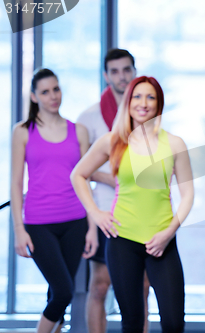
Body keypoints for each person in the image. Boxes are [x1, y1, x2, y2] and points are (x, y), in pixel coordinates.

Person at [71, 76, 193, 333]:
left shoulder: (174, 143)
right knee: (133, 321)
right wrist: (95, 213)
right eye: (137, 96)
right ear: (128, 102)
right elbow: (78, 175)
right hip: (122, 240)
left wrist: (168, 233)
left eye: (150, 97)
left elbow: (189, 194)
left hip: (162, 241)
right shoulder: (112, 141)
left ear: (159, 104)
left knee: (174, 322)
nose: (143, 103)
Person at [10, 68, 98, 333]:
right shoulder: (23, 131)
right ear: (34, 97)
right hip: (38, 224)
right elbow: (15, 183)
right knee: (64, 291)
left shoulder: (79, 131)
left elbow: (86, 181)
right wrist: (18, 230)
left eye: (56, 89)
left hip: (75, 222)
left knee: (57, 291)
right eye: (45, 92)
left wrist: (92, 228)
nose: (53, 96)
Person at [77, 48, 151, 333]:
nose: (122, 76)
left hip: (141, 212)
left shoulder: (146, 113)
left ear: (134, 72)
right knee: (99, 286)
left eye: (127, 70)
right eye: (115, 71)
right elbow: (81, 169)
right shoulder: (89, 117)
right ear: (106, 75)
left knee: (142, 287)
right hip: (105, 211)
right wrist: (112, 178)